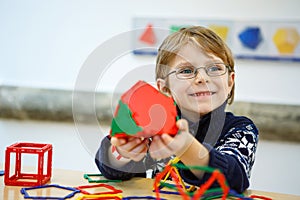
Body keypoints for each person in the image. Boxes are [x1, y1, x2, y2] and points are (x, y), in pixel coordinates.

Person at [95, 26, 259, 193]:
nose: (202, 78)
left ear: (230, 82)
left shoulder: (241, 129)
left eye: (214, 68)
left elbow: (234, 178)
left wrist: (186, 147)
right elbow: (113, 171)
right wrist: (123, 153)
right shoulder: (155, 123)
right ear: (165, 88)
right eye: (186, 70)